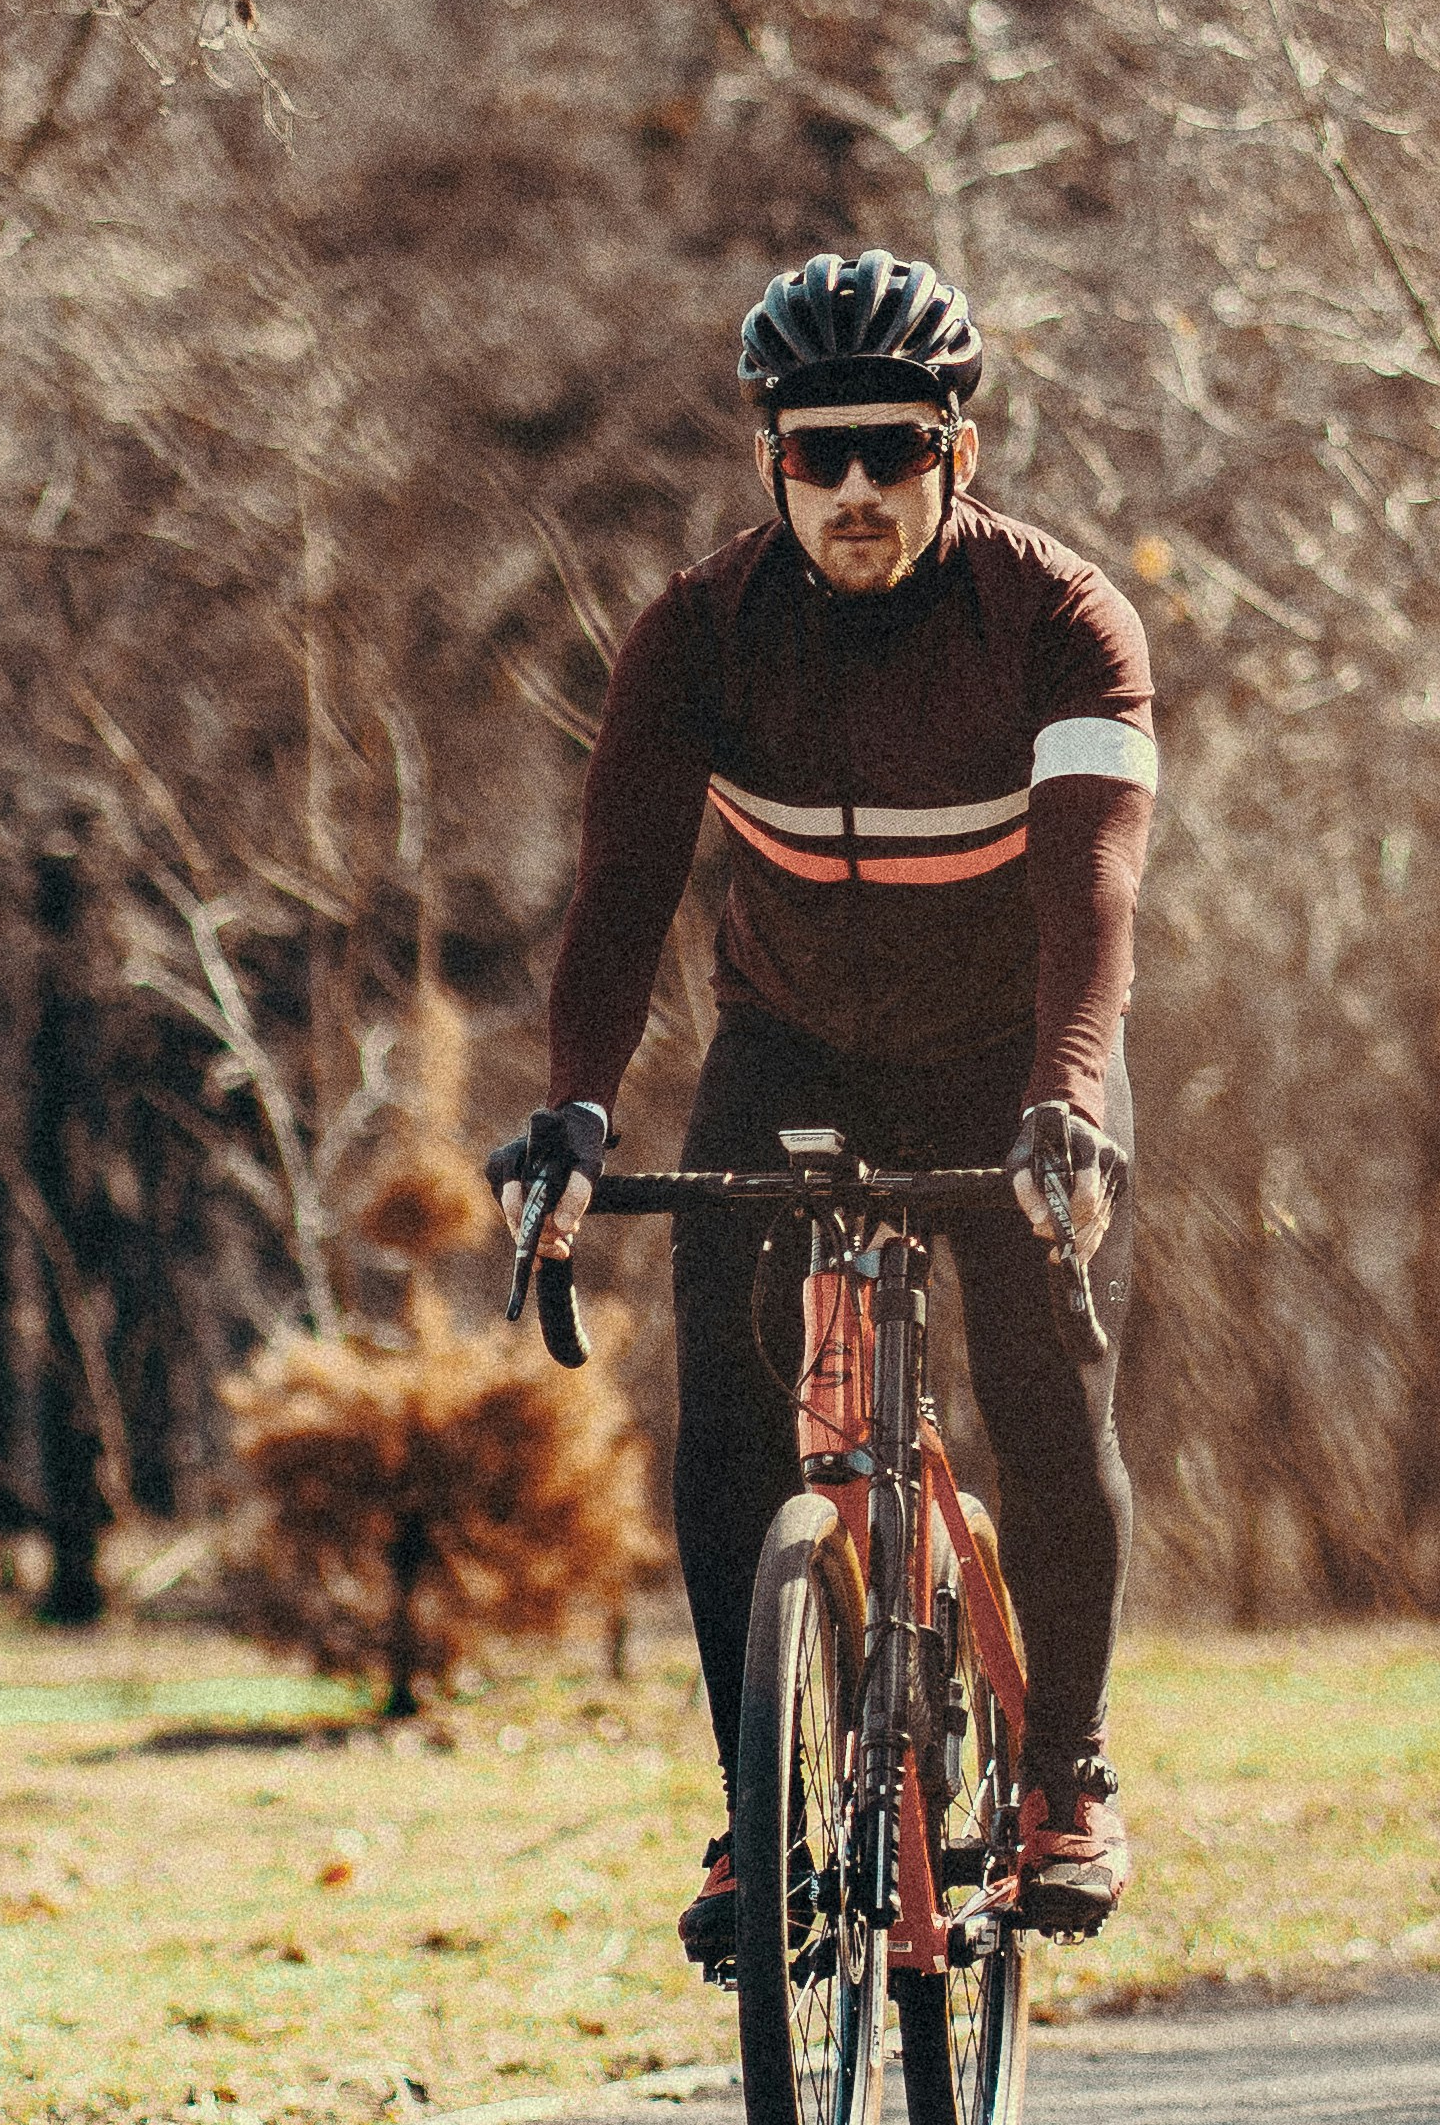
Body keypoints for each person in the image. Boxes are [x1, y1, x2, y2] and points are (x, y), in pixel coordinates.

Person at [493, 247, 1156, 1962]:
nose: (855, 491)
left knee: (1043, 1374)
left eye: (892, 449)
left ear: (959, 450)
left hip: (1016, 1061)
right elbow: (623, 896)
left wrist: (1070, 1100)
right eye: (815, 455)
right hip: (789, 1048)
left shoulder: (1064, 624)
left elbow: (1094, 899)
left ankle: (1066, 1772)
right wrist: (571, 1118)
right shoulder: (701, 637)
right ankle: (756, 1813)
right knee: (727, 1406)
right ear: (769, 457)